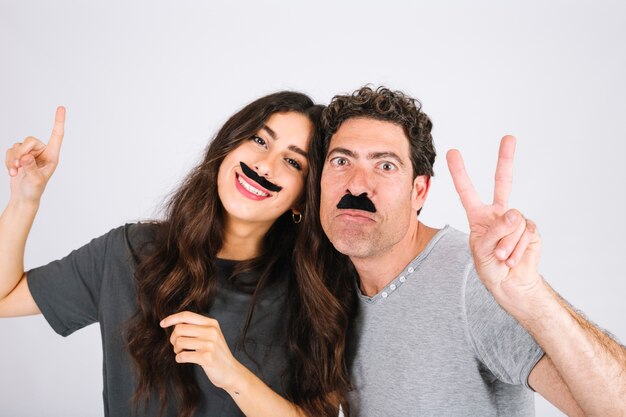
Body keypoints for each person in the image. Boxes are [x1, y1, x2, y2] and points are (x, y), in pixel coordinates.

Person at [0, 92, 355, 417]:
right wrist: (24, 198)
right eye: (259, 140)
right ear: (228, 147)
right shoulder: (130, 252)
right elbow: (3, 298)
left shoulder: (316, 290)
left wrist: (231, 374)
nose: (265, 165)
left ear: (302, 198)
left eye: (293, 162)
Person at [317, 86, 626, 416]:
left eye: (386, 166)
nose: (357, 184)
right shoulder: (334, 284)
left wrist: (531, 296)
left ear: (419, 192)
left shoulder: (472, 282)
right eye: (341, 160)